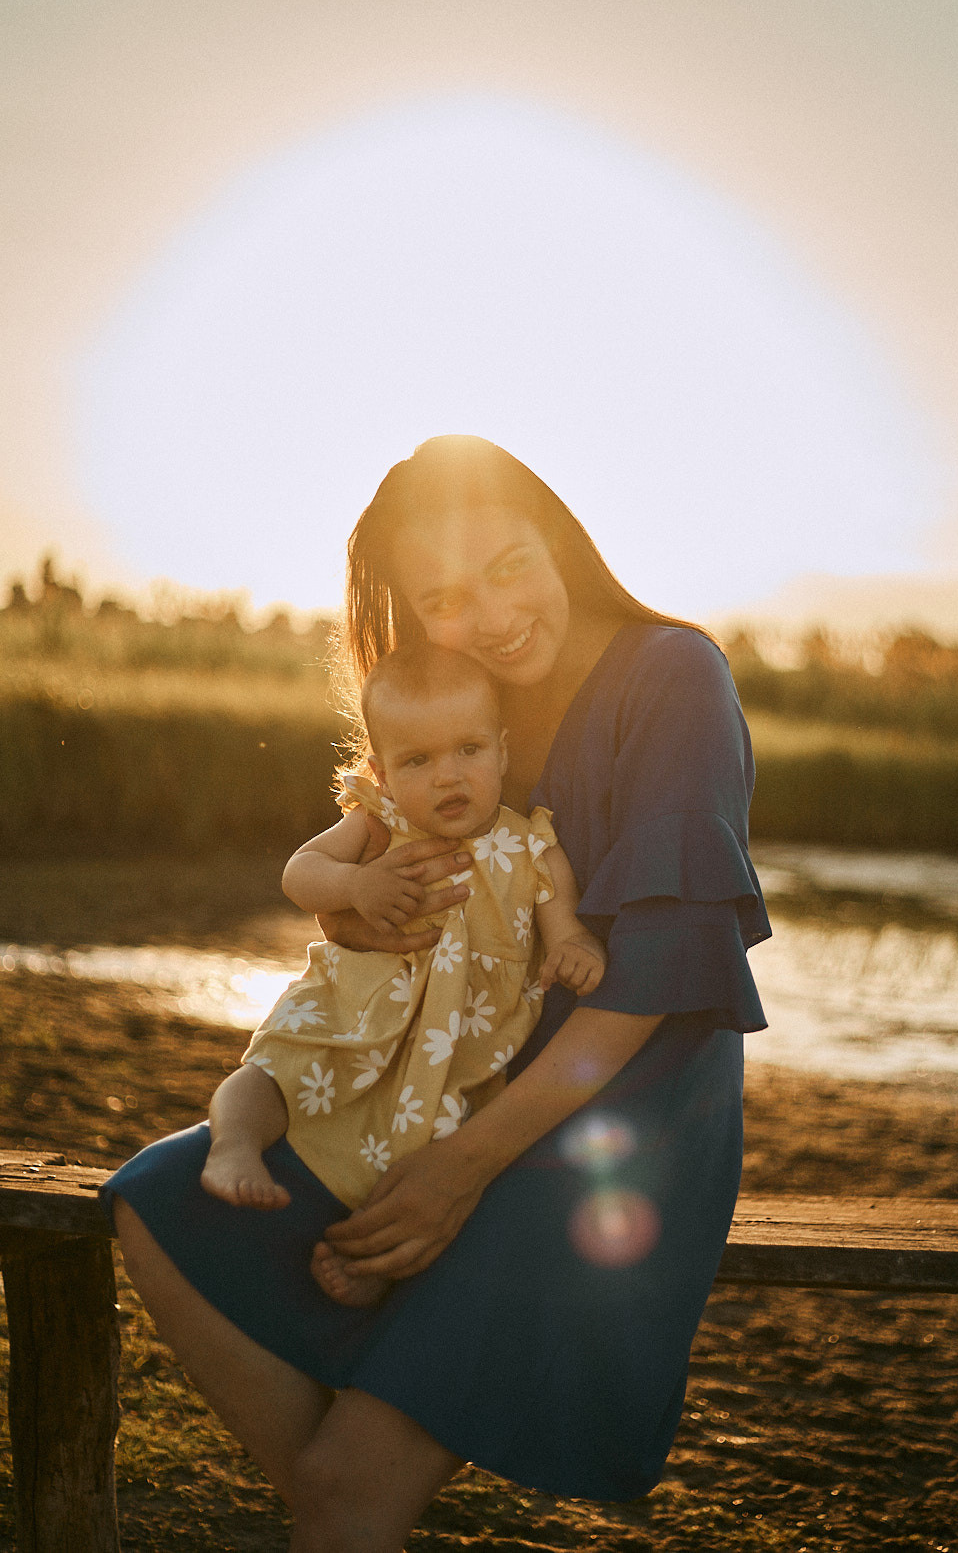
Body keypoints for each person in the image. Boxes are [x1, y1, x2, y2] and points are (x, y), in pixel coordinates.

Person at [103, 435, 771, 1553]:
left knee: (351, 1489)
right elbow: (388, 879)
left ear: (558, 537)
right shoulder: (463, 706)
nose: (496, 614)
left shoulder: (673, 676)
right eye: (447, 598)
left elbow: (654, 979)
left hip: (611, 1126)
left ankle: (357, 1487)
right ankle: (351, 1483)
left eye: (511, 563)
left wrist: (459, 1173)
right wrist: (355, 908)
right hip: (438, 1083)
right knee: (161, 1198)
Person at [200, 642, 606, 1301]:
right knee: (277, 1069)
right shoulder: (378, 825)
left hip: (455, 1054)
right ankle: (234, 1144)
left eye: (468, 750)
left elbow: (563, 918)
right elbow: (300, 873)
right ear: (382, 774)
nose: (448, 776)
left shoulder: (530, 843)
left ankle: (371, 1262)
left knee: (425, 1157)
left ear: (502, 751)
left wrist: (572, 944)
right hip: (353, 1013)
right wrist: (356, 887)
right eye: (418, 760)